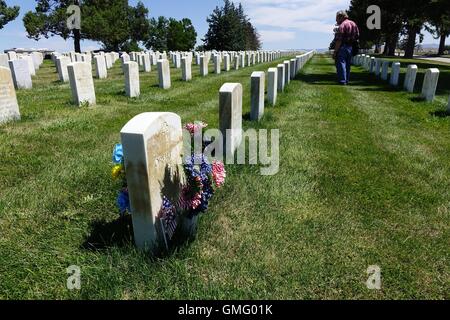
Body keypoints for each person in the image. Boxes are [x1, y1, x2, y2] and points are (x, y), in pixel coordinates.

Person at [333, 10, 360, 85]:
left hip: (343, 47)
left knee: (341, 63)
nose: (336, 20)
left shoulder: (342, 25)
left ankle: (342, 81)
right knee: (348, 64)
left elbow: (339, 40)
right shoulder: (353, 23)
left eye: (337, 18)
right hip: (351, 46)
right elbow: (357, 35)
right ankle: (346, 80)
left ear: (341, 17)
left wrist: (335, 52)